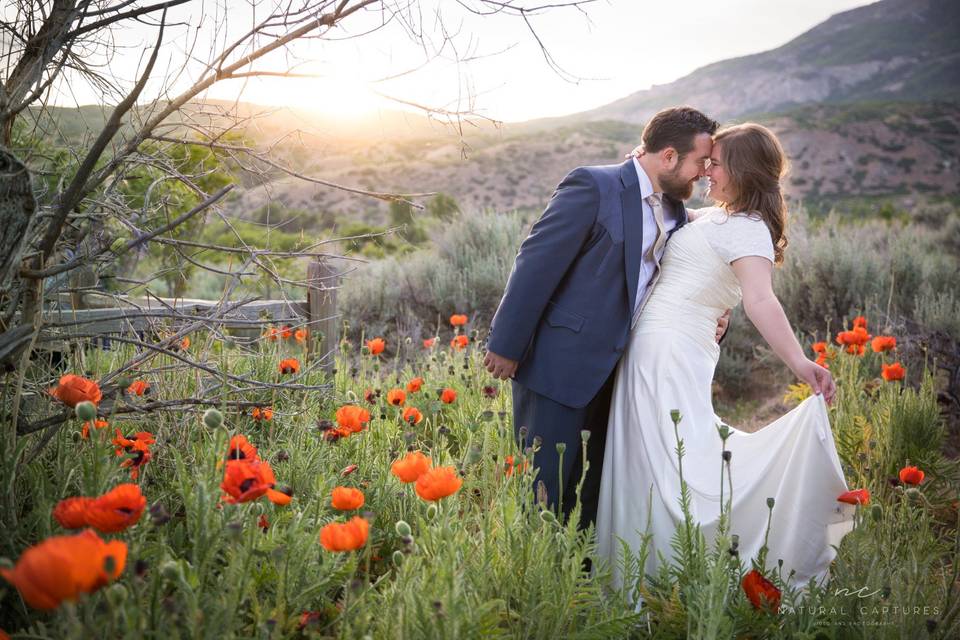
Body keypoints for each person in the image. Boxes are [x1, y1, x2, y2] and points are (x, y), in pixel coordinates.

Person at [595, 123, 855, 598]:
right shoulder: (715, 218)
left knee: (673, 461)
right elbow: (667, 210)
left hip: (672, 350)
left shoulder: (750, 228)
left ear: (742, 170)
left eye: (715, 163)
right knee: (652, 458)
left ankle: (667, 579)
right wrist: (644, 158)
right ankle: (650, 578)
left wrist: (799, 363)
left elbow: (759, 300)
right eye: (707, 161)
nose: (707, 171)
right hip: (655, 345)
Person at [484, 107, 727, 528]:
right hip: (559, 368)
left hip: (625, 375)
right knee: (545, 492)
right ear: (668, 156)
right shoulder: (593, 185)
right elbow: (536, 263)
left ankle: (583, 584)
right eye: (699, 163)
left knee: (595, 493)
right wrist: (506, 345)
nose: (703, 174)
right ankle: (535, 584)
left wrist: (713, 318)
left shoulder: (674, 210)